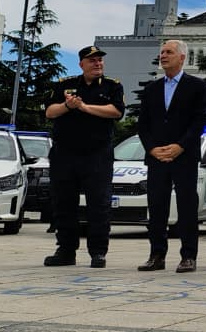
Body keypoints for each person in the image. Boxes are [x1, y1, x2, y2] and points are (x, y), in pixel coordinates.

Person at [42, 45, 125, 268]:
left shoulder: (112, 86)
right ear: (81, 64)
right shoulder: (64, 85)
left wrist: (85, 108)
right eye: (92, 61)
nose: (98, 64)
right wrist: (68, 106)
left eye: (100, 60)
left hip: (96, 155)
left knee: (99, 205)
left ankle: (98, 252)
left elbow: (116, 111)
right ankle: (66, 250)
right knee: (64, 204)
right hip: (65, 154)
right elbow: (50, 112)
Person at [136, 39, 206, 273]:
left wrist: (181, 146)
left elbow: (200, 120)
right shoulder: (152, 89)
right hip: (157, 157)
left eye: (168, 52)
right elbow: (143, 124)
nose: (163, 55)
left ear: (182, 57)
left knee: (187, 206)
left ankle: (188, 255)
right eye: (161, 52)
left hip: (184, 156)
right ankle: (156, 254)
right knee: (157, 206)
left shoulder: (197, 86)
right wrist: (151, 148)